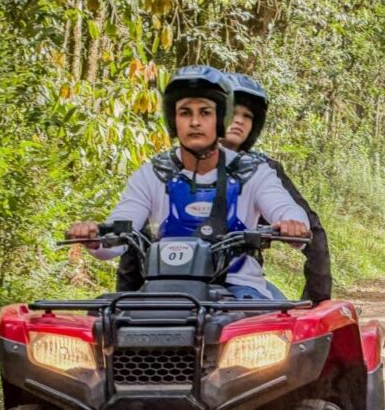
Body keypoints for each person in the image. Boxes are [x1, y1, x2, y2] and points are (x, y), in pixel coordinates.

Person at [67, 65, 310, 300]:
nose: (194, 122)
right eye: (185, 112)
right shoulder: (152, 173)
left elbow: (285, 208)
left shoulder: (253, 172)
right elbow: (119, 232)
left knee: (267, 326)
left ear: (221, 119)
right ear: (173, 120)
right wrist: (95, 237)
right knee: (105, 320)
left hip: (240, 292)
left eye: (205, 112)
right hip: (164, 292)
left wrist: (292, 224)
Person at [222, 72, 333, 303]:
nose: (239, 120)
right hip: (164, 281)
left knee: (288, 322)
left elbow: (310, 230)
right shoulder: (166, 168)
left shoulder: (261, 170)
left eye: (246, 115)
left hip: (240, 284)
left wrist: (316, 302)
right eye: (232, 112)